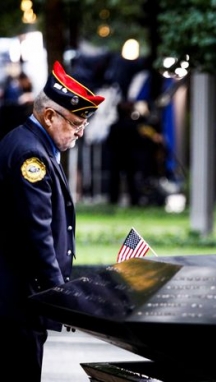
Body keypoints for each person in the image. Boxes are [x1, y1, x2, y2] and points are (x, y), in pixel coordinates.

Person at [0, 61, 105, 381]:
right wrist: (59, 295)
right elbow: (38, 234)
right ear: (49, 116)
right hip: (18, 302)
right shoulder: (31, 157)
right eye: (75, 122)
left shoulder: (27, 142)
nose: (80, 132)